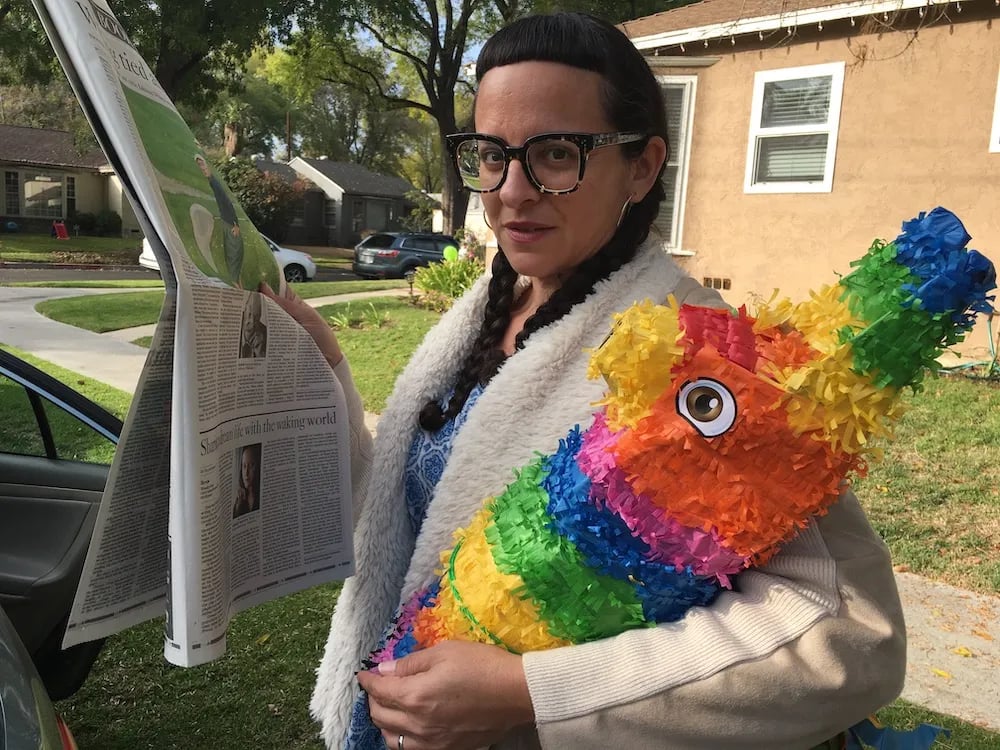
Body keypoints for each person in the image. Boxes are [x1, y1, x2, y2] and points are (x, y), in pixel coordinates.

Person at [265, 12, 906, 750]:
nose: (512, 191)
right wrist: (329, 375)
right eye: (492, 154)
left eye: (556, 154)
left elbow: (848, 638)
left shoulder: (705, 358)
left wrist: (532, 692)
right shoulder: (490, 307)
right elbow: (404, 515)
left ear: (642, 165)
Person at [196, 153, 244, 287]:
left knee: (233, 259)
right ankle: (238, 286)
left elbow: (226, 203)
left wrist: (235, 224)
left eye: (203, 165)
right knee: (232, 261)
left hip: (230, 225)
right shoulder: (205, 182)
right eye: (199, 165)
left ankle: (238, 287)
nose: (202, 168)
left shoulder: (214, 182)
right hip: (225, 224)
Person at [232, 443, 261, 518]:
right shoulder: (239, 498)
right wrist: (238, 505)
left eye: (251, 465)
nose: (246, 472)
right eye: (244, 466)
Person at [239, 293, 268, 359]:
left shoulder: (265, 334)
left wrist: (260, 355)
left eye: (256, 316)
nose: (251, 320)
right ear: (245, 308)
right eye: (249, 314)